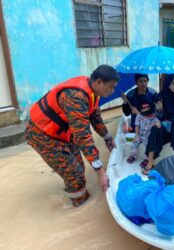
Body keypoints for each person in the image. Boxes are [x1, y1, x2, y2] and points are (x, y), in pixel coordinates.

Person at [25, 65, 119, 207]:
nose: (112, 91)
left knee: (79, 166)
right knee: (74, 172)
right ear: (99, 82)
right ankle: (79, 205)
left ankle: (74, 192)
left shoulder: (93, 93)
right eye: (111, 87)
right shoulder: (75, 97)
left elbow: (95, 117)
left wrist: (107, 138)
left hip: (63, 133)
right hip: (42, 135)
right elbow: (83, 136)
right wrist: (100, 172)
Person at [143, 74, 174, 174]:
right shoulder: (160, 97)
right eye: (173, 84)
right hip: (166, 130)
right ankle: (150, 162)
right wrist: (160, 111)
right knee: (155, 128)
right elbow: (159, 117)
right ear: (167, 85)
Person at [126, 96, 161, 164]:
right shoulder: (139, 116)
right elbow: (137, 126)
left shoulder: (153, 116)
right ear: (140, 109)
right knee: (134, 143)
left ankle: (147, 159)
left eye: (147, 107)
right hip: (141, 135)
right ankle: (133, 155)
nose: (145, 109)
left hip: (149, 137)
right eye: (143, 108)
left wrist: (157, 123)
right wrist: (136, 135)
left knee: (148, 147)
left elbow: (158, 122)